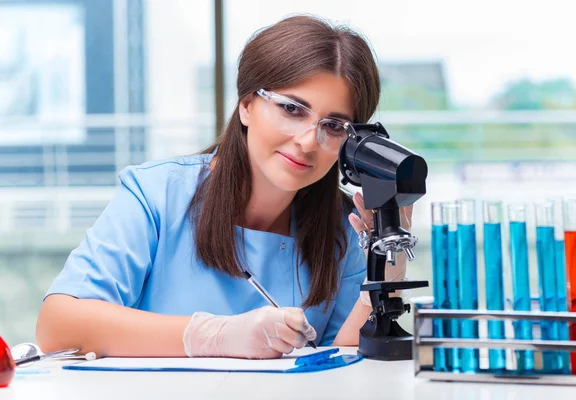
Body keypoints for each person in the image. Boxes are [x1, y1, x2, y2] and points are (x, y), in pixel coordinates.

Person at [36, 14, 412, 359]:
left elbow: (345, 363)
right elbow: (58, 326)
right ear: (247, 104)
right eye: (291, 109)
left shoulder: (346, 225)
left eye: (333, 126)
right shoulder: (157, 194)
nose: (308, 141)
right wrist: (214, 335)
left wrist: (386, 267)